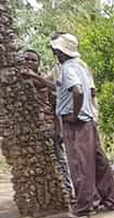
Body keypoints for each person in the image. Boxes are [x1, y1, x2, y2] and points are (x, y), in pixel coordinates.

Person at [51, 33, 114, 218]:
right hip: (87, 120)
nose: (54, 52)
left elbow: (78, 91)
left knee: (80, 164)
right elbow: (69, 89)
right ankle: (109, 201)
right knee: (97, 161)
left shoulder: (67, 68)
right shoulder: (81, 66)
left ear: (60, 51)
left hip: (76, 122)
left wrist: (74, 113)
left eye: (55, 49)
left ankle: (84, 208)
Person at [19, 49, 75, 200]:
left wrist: (59, 129)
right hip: (26, 132)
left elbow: (56, 107)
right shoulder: (17, 86)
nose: (29, 62)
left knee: (59, 161)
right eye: (26, 59)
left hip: (48, 127)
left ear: (38, 64)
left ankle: (68, 193)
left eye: (33, 60)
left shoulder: (45, 83)